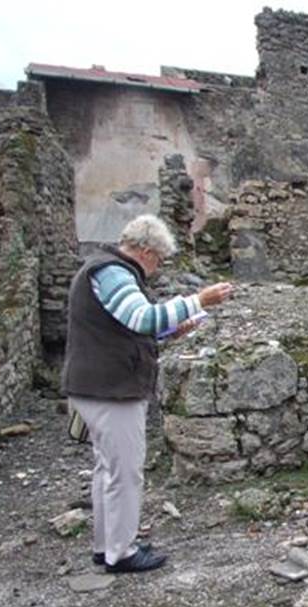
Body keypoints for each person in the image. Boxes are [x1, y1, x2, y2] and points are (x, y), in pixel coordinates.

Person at [62, 214, 233, 573]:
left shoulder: (104, 270)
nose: (156, 269)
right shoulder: (113, 273)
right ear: (143, 250)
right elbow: (141, 319)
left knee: (107, 469)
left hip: (97, 385)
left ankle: (106, 545)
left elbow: (125, 329)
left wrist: (170, 331)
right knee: (124, 473)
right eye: (157, 259)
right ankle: (121, 553)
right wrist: (198, 300)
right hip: (112, 390)